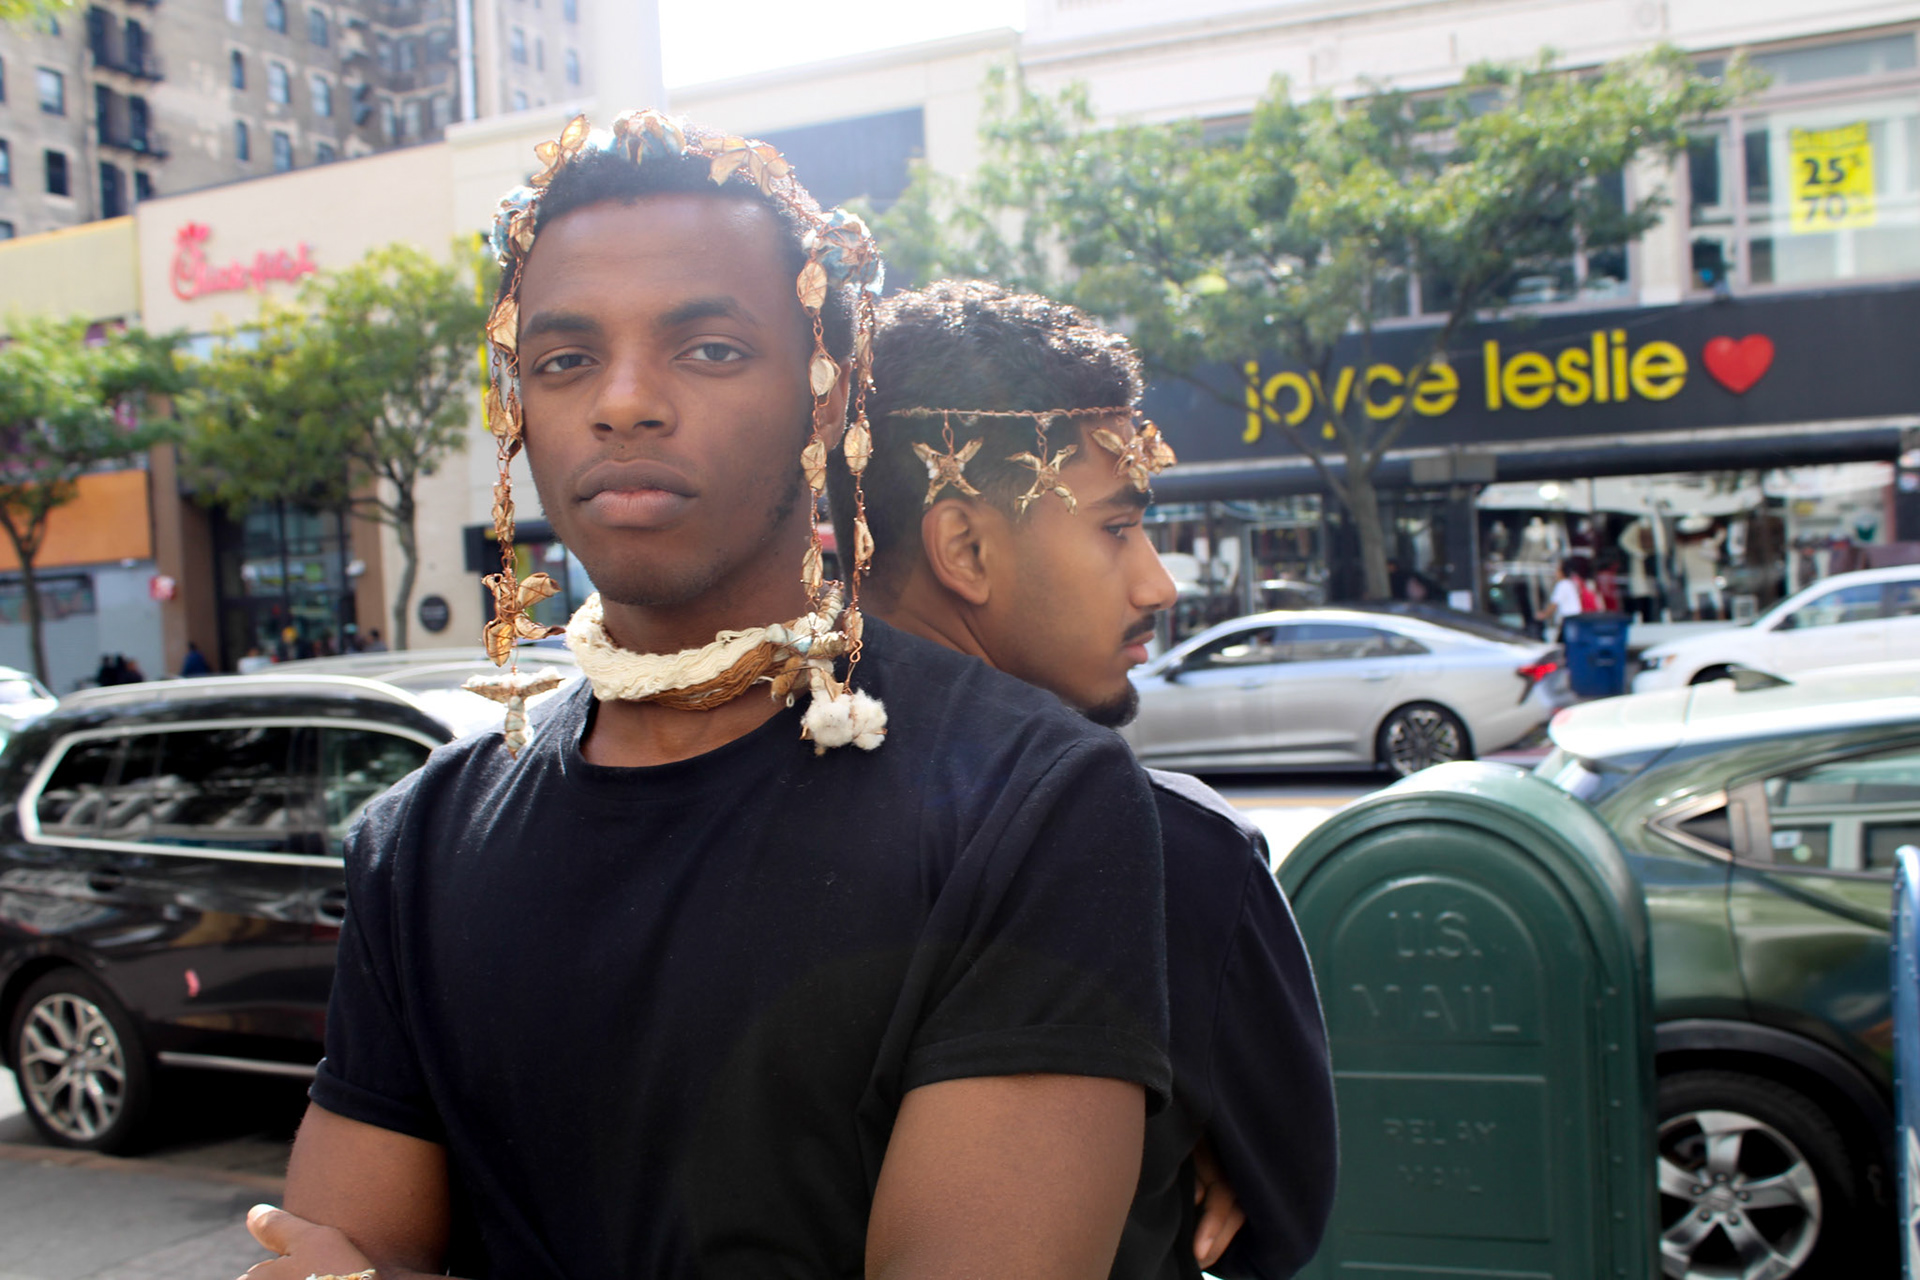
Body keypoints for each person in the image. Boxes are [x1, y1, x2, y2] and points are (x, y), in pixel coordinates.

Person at [241, 112, 1171, 1280]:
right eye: (565, 360)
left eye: (709, 349)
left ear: (828, 394)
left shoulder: (1032, 801)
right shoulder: (418, 840)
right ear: (517, 404)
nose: (624, 402)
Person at [830, 281, 1335, 1280]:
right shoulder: (1173, 852)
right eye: (1116, 527)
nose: (1160, 583)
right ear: (966, 547)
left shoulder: (698, 787)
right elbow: (1283, 1213)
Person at [1541, 554, 1593, 637]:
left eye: (1557, 570)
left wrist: (1543, 615)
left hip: (1568, 620)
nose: (1555, 573)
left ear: (1562, 572)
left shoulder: (1563, 584)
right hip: (1574, 619)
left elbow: (1553, 605)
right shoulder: (1570, 583)